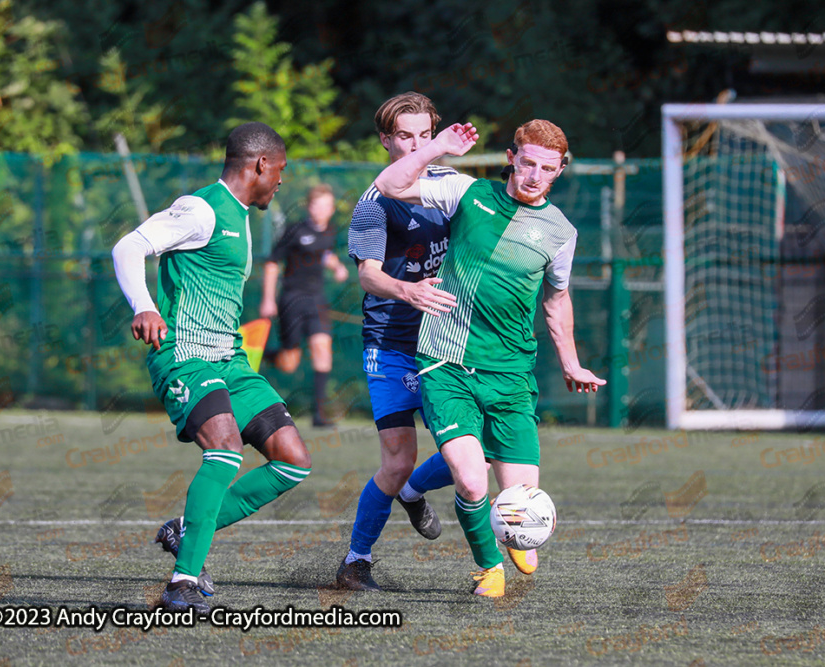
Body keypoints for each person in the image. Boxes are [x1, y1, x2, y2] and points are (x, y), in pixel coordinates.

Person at [373, 118, 605, 598]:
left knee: (521, 505)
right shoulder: (466, 192)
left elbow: (557, 300)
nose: (535, 176)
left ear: (560, 170)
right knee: (473, 482)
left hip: (512, 375)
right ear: (511, 159)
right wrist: (437, 147)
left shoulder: (561, 232)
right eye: (528, 164)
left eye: (547, 168)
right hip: (446, 363)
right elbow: (389, 183)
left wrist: (571, 362)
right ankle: (487, 568)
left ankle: (497, 527)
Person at [111, 122, 312, 613]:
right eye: (280, 170)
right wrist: (144, 305)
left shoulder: (241, 215)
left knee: (293, 460)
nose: (281, 181)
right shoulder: (202, 208)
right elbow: (128, 246)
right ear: (260, 164)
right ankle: (182, 582)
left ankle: (186, 532)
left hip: (229, 357)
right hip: (184, 355)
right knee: (224, 448)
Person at [335, 92, 461, 591]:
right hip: (389, 341)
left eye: (425, 135)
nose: (416, 144)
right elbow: (368, 276)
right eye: (405, 136)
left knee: (477, 449)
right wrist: (405, 289)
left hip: (445, 342)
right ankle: (355, 562)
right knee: (397, 458)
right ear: (386, 140)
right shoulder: (374, 201)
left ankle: (413, 491)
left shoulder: (452, 190)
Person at [259, 184, 349, 427]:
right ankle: (264, 355)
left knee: (322, 349)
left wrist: (337, 266)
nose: (323, 210)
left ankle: (319, 415)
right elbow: (272, 263)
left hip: (317, 299)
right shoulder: (295, 230)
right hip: (292, 299)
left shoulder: (330, 231)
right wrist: (268, 299)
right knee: (289, 364)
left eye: (327, 206)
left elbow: (324, 254)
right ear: (310, 207)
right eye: (318, 205)